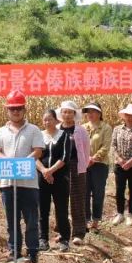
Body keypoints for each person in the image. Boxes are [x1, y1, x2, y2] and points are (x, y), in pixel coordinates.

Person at [0, 90, 46, 263]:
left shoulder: (33, 130)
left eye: (19, 108)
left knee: (31, 220)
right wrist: (8, 161)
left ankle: (32, 252)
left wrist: (23, 162)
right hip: (8, 182)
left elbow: (38, 150)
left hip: (28, 183)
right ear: (7, 110)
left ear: (24, 109)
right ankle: (14, 251)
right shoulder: (1, 131)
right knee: (11, 220)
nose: (16, 112)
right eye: (12, 108)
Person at [58, 101, 92, 245]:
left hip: (76, 167)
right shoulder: (56, 129)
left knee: (77, 200)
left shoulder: (81, 131)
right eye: (64, 112)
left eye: (70, 112)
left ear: (74, 114)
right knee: (60, 200)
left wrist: (83, 165)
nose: (67, 115)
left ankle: (78, 232)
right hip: (59, 167)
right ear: (61, 114)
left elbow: (85, 149)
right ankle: (62, 231)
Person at [38, 109, 71, 251]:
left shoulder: (64, 136)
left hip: (60, 178)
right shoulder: (39, 136)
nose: (47, 122)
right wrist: (44, 171)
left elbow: (65, 157)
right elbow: (34, 157)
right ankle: (43, 239)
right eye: (44, 120)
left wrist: (51, 171)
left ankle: (64, 239)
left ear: (56, 120)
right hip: (42, 177)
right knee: (43, 209)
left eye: (49, 119)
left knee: (61, 209)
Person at [110, 103, 132, 226]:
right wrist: (120, 160)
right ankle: (120, 213)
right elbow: (113, 146)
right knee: (119, 189)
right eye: (127, 115)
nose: (129, 117)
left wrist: (131, 162)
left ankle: (130, 214)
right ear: (124, 116)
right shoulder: (117, 129)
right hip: (119, 165)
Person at [82, 103, 112, 231]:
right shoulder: (82, 128)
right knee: (84, 192)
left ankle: (95, 220)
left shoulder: (106, 128)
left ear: (99, 114)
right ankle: (85, 220)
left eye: (93, 112)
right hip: (84, 165)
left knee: (98, 193)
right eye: (88, 112)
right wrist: (85, 158)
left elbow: (106, 146)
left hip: (100, 165)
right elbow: (79, 145)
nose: (90, 114)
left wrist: (93, 158)